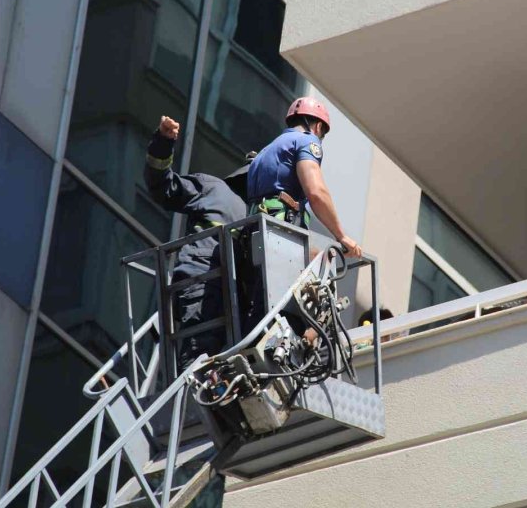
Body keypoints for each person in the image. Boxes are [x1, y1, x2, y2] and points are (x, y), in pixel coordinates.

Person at [144, 115, 246, 369]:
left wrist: (163, 141)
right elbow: (165, 185)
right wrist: (163, 143)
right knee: (198, 368)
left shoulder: (224, 196)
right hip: (206, 286)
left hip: (209, 290)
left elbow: (161, 186)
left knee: (204, 366)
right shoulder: (218, 191)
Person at [247, 97, 363, 258]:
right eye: (322, 136)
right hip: (279, 235)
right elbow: (316, 193)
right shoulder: (307, 140)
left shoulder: (265, 151)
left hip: (252, 237)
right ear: (318, 126)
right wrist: (341, 236)